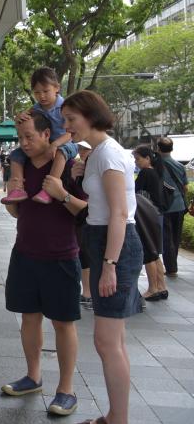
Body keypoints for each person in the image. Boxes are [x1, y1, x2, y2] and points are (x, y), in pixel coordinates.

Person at [54, 90, 143, 424]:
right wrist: (82, 173)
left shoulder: (109, 155)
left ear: (90, 117)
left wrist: (109, 266)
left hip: (114, 245)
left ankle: (117, 419)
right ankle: (115, 416)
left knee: (107, 342)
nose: (67, 126)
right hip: (105, 241)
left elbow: (120, 215)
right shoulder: (99, 153)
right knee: (113, 341)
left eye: (71, 119)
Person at [0, 110, 85, 417]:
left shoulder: (69, 166)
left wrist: (61, 194)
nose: (24, 143)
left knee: (63, 323)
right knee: (29, 317)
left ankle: (66, 390)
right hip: (24, 253)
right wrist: (13, 196)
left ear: (47, 134)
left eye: (30, 137)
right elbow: (17, 214)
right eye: (20, 138)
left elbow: (85, 211)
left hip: (61, 256)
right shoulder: (19, 167)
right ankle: (33, 376)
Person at [5, 68, 78, 205]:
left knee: (61, 153)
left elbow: (70, 132)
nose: (41, 96)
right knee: (16, 155)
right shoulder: (36, 108)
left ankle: (49, 189)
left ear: (56, 88)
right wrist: (18, 118)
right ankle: (18, 187)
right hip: (45, 146)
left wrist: (55, 144)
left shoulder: (65, 107)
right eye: (37, 92)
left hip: (66, 143)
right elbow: (22, 122)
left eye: (45, 91)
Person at [132, 146, 167, 301]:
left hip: (146, 216)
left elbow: (133, 191)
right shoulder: (156, 172)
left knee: (148, 252)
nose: (136, 162)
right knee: (155, 253)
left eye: (138, 159)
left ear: (147, 158)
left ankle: (152, 288)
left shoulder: (146, 173)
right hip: (156, 215)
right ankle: (161, 287)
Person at [156, 137, 189, 278]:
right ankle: (172, 265)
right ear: (172, 149)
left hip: (165, 207)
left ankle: (171, 267)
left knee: (167, 238)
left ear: (158, 148)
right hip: (180, 206)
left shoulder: (156, 165)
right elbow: (186, 188)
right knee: (176, 236)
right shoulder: (180, 166)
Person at [74, 141, 93, 311]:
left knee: (86, 255)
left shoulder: (95, 166)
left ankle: (88, 293)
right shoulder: (79, 166)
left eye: (85, 149)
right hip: (82, 218)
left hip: (90, 217)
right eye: (80, 149)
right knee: (84, 254)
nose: (82, 152)